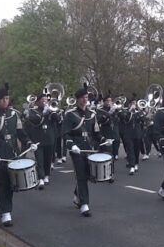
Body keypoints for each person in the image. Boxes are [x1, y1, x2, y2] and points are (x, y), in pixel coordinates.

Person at [0, 86, 37, 226]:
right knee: (3, 182)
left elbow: (20, 132)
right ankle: (6, 212)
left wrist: (29, 143)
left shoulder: (14, 114)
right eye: (3, 99)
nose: (6, 101)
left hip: (13, 152)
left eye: (7, 98)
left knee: (11, 182)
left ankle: (4, 208)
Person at [63, 87, 104, 217]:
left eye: (86, 97)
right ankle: (84, 204)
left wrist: (104, 139)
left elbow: (96, 132)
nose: (84, 100)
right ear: (77, 99)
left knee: (87, 175)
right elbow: (65, 134)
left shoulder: (91, 114)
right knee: (81, 175)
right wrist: (72, 145)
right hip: (77, 150)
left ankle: (77, 195)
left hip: (89, 148)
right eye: (82, 98)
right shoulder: (70, 114)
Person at [24, 94, 56, 189]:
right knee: (40, 159)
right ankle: (41, 178)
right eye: (43, 100)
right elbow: (35, 121)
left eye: (46, 100)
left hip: (49, 138)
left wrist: (54, 112)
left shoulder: (51, 110)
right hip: (38, 139)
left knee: (48, 158)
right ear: (37, 101)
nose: (45, 102)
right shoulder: (33, 111)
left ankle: (47, 175)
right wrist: (44, 114)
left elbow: (57, 120)